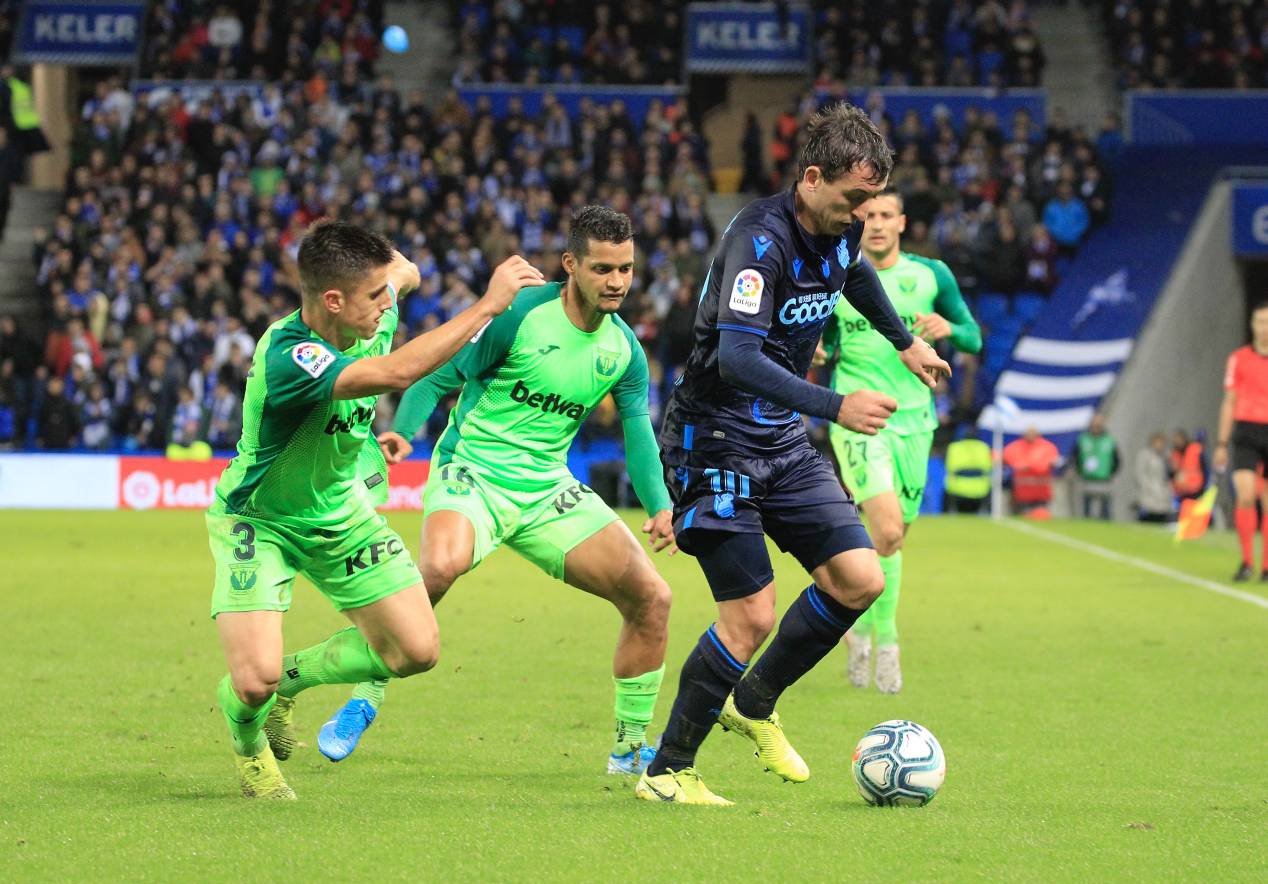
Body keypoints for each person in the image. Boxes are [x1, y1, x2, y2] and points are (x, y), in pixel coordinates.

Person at [636, 102, 949, 805]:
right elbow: (740, 357)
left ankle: (753, 702)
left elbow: (856, 274)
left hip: (779, 437)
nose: (866, 217)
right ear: (811, 179)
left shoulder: (839, 235)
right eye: (855, 200)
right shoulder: (760, 241)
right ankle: (666, 771)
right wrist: (837, 405)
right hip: (713, 437)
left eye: (874, 202)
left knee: (860, 578)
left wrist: (905, 342)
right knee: (748, 616)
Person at [324, 207, 676, 775]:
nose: (617, 282)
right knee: (438, 568)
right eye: (603, 269)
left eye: (626, 269)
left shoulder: (625, 351)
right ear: (570, 266)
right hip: (473, 470)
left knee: (652, 598)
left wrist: (659, 505)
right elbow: (441, 375)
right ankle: (366, 696)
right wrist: (403, 433)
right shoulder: (521, 316)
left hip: (545, 489)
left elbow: (639, 431)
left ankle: (631, 750)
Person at [207, 220, 543, 800]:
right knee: (250, 682)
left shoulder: (371, 306)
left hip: (340, 515)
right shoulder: (291, 357)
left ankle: (293, 679)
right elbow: (396, 373)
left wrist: (391, 271)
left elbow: (404, 272)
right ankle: (249, 745)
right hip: (259, 522)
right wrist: (488, 305)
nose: (388, 306)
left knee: (417, 651)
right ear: (332, 301)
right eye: (374, 297)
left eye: (386, 294)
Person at [820, 189, 981, 694]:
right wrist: (819, 351)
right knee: (886, 530)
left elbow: (976, 337)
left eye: (887, 215)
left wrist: (949, 327)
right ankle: (886, 640)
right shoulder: (837, 272)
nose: (877, 224)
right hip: (858, 416)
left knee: (894, 539)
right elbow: (819, 337)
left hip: (917, 422)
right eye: (868, 216)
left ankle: (856, 622)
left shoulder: (932, 276)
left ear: (903, 222)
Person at [1213, 300, 1268, 581]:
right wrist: (1222, 443)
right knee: (1246, 495)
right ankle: (1247, 561)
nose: (1264, 328)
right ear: (1252, 325)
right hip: (1246, 431)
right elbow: (1229, 402)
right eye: (1259, 321)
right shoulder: (1239, 358)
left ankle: (1267, 565)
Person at [1003, 427, 1061, 517]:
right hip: (1022, 491)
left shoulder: (1047, 447)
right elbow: (1005, 459)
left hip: (1042, 491)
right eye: (1028, 433)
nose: (1030, 436)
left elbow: (1053, 461)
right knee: (1023, 515)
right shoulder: (1015, 447)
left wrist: (1033, 466)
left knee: (1041, 515)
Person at [1073, 414, 1120, 520]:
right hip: (1087, 478)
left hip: (1104, 479)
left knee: (1105, 508)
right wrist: (1080, 471)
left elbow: (1117, 459)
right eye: (1095, 423)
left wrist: (1110, 472)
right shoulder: (1083, 439)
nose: (1097, 425)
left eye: (1099, 423)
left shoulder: (1109, 440)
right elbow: (1075, 457)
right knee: (1087, 508)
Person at [1134, 431, 1172, 523]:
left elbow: (1169, 474)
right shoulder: (1145, 455)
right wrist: (1146, 487)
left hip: (1162, 493)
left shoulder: (1167, 456)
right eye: (1158, 442)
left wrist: (1167, 488)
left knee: (1161, 516)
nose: (1160, 445)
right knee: (1148, 517)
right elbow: (1140, 473)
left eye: (1162, 443)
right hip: (1149, 492)